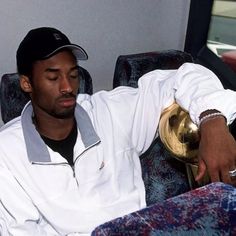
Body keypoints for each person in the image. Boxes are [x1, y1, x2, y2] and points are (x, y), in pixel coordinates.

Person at [0, 27, 235, 235]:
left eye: (73, 74)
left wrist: (212, 119)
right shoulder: (7, 153)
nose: (67, 87)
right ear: (26, 83)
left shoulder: (110, 113)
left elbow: (184, 76)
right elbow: (20, 230)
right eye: (53, 77)